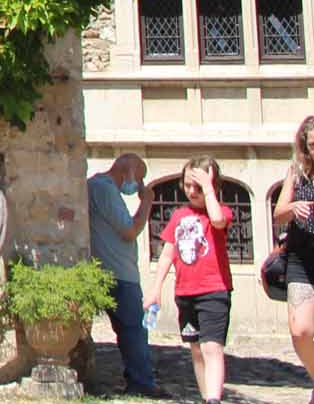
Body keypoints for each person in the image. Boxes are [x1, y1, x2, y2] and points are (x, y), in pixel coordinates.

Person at [155, 155, 235, 404]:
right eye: (187, 185)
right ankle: (206, 397)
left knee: (212, 347)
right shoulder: (179, 215)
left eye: (198, 186)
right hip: (185, 293)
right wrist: (155, 289)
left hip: (214, 291)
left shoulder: (221, 211)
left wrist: (209, 190)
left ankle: (213, 400)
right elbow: (167, 253)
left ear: (213, 186)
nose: (192, 191)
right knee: (197, 350)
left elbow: (218, 221)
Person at [89, 153, 161, 396]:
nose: (138, 186)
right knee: (134, 330)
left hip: (121, 271)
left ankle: (139, 379)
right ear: (128, 171)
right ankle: (142, 383)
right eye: (139, 180)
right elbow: (130, 230)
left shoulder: (104, 190)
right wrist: (147, 201)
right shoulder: (104, 189)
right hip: (117, 273)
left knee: (131, 331)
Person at [272, 116, 314, 404]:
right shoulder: (297, 172)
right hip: (301, 258)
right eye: (312, 144)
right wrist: (293, 207)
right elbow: (278, 213)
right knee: (300, 330)